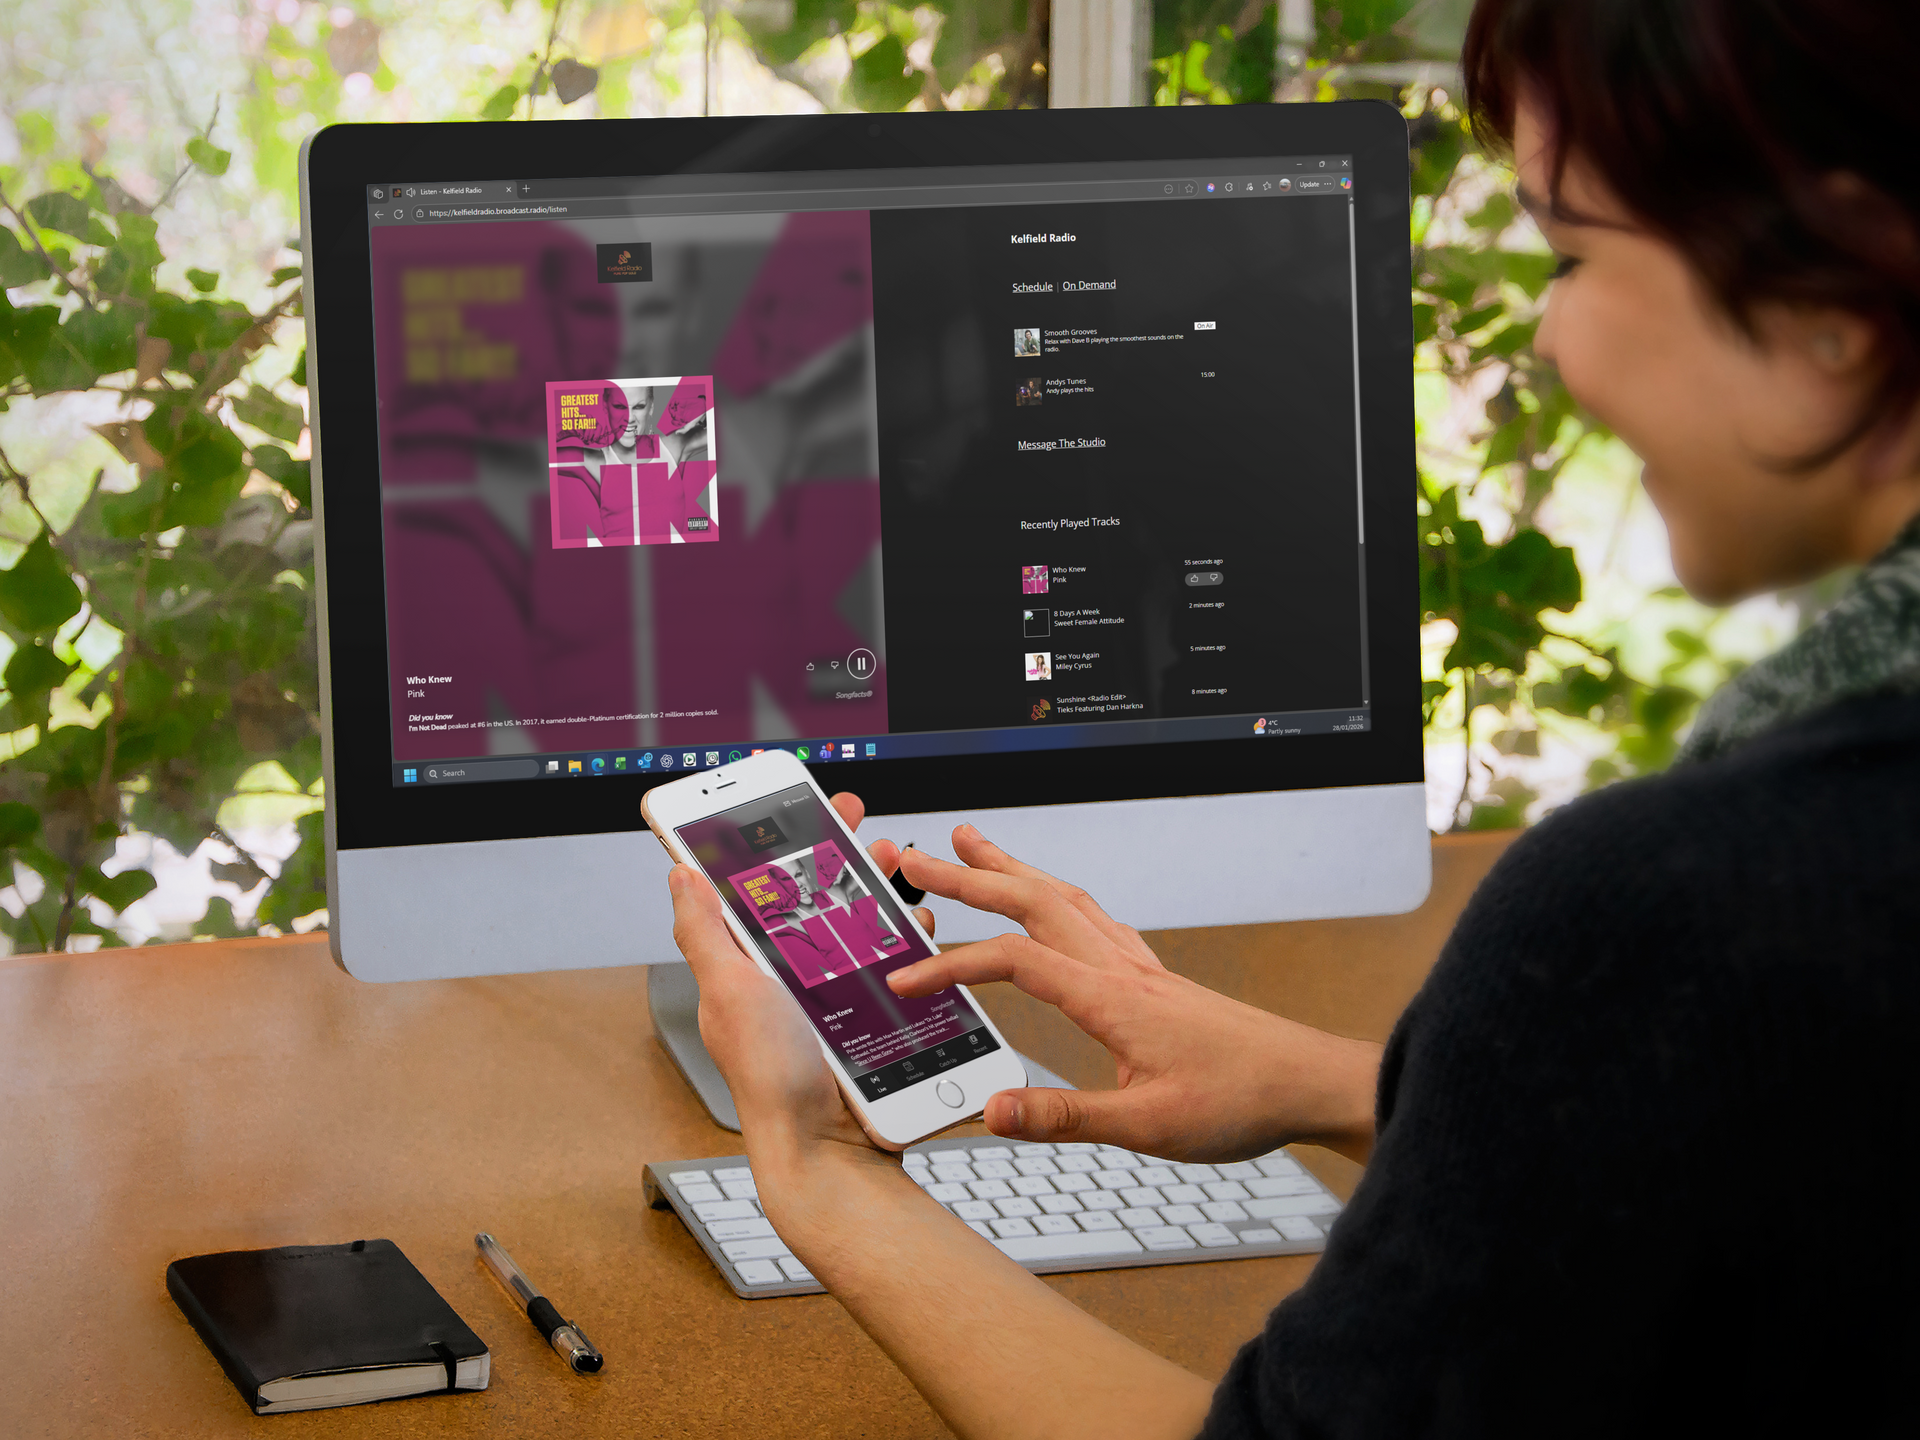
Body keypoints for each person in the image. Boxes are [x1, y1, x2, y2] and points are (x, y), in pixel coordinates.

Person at [666, 1, 1920, 1433]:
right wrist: (1343, 1085)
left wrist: (817, 1169)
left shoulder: (1683, 913)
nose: (1554, 335)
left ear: (1840, 279)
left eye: (1576, 253)